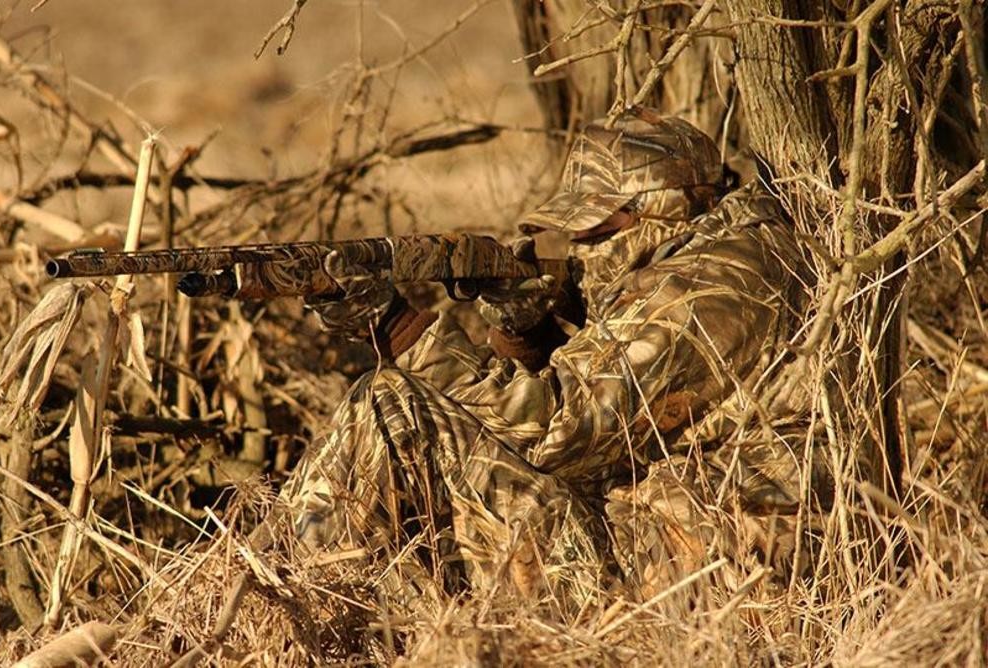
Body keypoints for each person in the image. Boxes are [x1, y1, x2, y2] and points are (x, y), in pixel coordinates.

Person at [265, 108, 814, 602]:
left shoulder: (707, 287)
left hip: (686, 576)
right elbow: (614, 416)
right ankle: (302, 590)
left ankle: (287, 597)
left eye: (595, 230)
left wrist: (399, 329)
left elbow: (557, 434)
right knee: (406, 417)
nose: (579, 251)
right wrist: (527, 333)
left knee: (394, 406)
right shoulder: (723, 253)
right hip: (653, 536)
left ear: (662, 210)